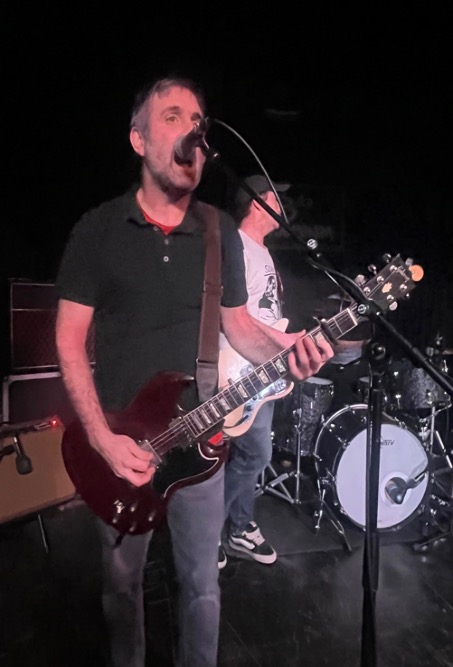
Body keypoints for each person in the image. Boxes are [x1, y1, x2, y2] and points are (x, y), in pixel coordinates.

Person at [55, 75, 334, 667]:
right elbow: (69, 340)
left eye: (198, 123)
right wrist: (102, 439)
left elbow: (241, 328)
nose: (192, 132)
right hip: (122, 446)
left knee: (203, 586)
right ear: (138, 140)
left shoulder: (218, 231)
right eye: (173, 117)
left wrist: (289, 347)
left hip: (202, 443)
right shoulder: (97, 231)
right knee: (122, 587)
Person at [219, 174, 290, 568]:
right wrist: (284, 341)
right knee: (255, 455)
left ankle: (240, 527)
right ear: (258, 201)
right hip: (241, 370)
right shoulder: (237, 246)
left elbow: (265, 314)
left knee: (251, 457)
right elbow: (234, 317)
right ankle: (211, 529)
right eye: (276, 198)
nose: (282, 206)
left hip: (266, 372)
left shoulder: (262, 251)